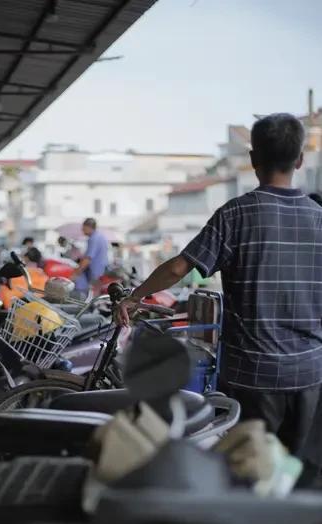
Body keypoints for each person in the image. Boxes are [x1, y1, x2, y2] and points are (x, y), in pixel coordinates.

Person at [117, 113, 322, 457]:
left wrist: (134, 297)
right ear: (300, 160)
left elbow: (179, 267)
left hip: (252, 377)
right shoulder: (319, 218)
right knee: (298, 474)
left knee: (248, 471)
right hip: (310, 374)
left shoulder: (236, 214)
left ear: (254, 159)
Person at [72, 217, 109, 295]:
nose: (82, 230)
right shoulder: (100, 236)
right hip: (101, 270)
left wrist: (76, 273)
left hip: (95, 272)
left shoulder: (93, 238)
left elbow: (88, 258)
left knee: (89, 294)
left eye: (83, 228)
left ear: (89, 227)